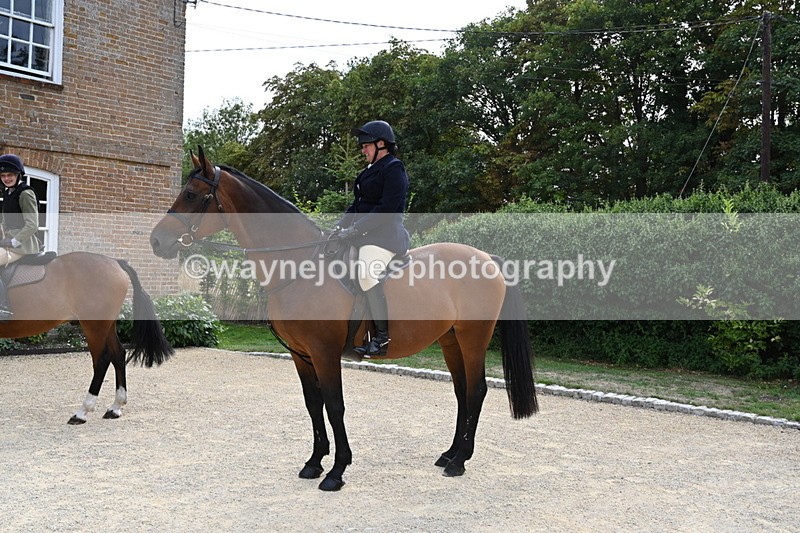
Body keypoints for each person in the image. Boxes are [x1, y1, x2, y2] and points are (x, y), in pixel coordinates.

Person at [335, 120, 410, 357]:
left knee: (366, 274)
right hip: (362, 236)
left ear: (381, 144)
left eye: (365, 146)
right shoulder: (367, 172)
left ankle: (381, 338)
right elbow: (356, 206)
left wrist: (355, 230)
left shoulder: (394, 168)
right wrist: (338, 227)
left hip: (384, 238)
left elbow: (387, 209)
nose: (362, 150)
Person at [0, 154, 41, 318]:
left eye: (10, 175)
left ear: (18, 175)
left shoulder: (25, 193)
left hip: (22, 245)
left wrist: (14, 241)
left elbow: (32, 224)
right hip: (7, 242)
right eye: (3, 175)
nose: (6, 178)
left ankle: (2, 308)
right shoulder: (8, 192)